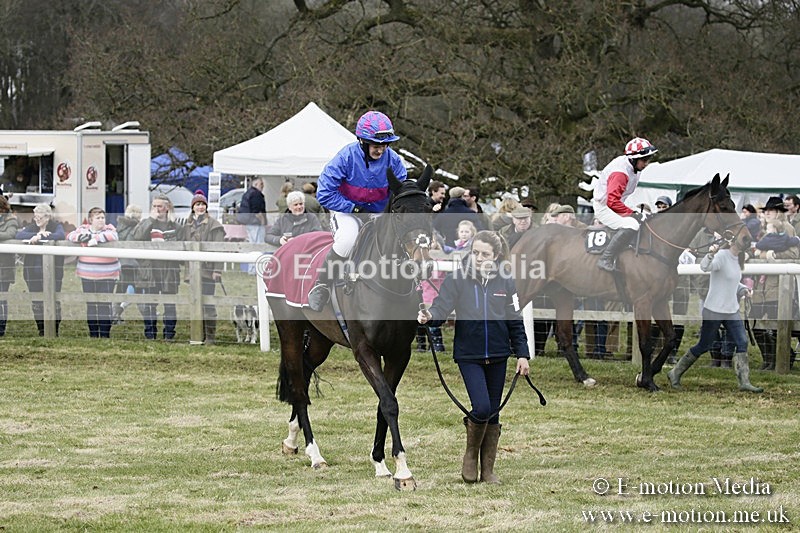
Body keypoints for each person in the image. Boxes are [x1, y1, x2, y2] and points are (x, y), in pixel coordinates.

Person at [418, 231, 529, 484]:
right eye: (475, 252)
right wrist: (429, 316)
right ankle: (470, 454)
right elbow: (441, 307)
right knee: (482, 407)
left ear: (496, 256)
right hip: (469, 354)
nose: (479, 258)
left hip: (499, 354)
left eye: (485, 254)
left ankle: (488, 470)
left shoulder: (506, 281)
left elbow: (515, 320)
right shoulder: (457, 278)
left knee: (494, 412)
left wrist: (522, 354)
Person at [307, 110, 407, 312]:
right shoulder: (345, 157)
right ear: (362, 141)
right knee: (347, 240)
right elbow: (325, 193)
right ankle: (322, 284)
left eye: (385, 145)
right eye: (376, 145)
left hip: (379, 212)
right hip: (347, 211)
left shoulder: (394, 160)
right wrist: (353, 207)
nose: (381, 150)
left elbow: (401, 190)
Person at [667, 239, 763, 393]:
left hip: (732, 310)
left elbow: (732, 281)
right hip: (714, 310)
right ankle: (675, 373)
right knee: (703, 345)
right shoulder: (721, 256)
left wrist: (743, 289)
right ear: (734, 242)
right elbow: (705, 267)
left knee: (742, 342)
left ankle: (744, 381)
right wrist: (711, 254)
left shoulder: (738, 259)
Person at [592, 137, 658, 271]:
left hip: (616, 204)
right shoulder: (620, 174)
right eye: (644, 160)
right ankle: (606, 258)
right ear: (633, 159)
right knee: (632, 224)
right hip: (605, 207)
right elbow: (612, 202)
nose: (646, 164)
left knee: (646, 215)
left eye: (648, 160)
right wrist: (632, 214)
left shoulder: (632, 166)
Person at [132, 195, 181, 341]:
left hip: (169, 271)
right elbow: (137, 236)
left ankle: (169, 335)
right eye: (154, 206)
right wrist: (151, 220)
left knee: (170, 305)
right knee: (149, 304)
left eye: (159, 206)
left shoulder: (175, 226)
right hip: (150, 271)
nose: (156, 209)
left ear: (167, 208)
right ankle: (150, 334)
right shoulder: (146, 223)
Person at [66, 208, 120, 338]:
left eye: (102, 217)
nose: (101, 220)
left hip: (108, 274)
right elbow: (69, 236)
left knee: (104, 305)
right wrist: (81, 237)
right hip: (87, 274)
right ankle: (93, 334)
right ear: (91, 220)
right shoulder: (82, 229)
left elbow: (114, 236)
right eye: (98, 218)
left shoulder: (109, 229)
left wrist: (96, 238)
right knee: (91, 304)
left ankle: (105, 334)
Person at [182, 191, 226, 345]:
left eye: (202, 204)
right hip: (193, 272)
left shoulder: (214, 225)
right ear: (193, 207)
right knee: (195, 302)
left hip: (208, 271)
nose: (200, 207)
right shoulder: (187, 225)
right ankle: (197, 335)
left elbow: (219, 249)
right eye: (197, 204)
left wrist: (217, 270)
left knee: (208, 303)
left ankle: (210, 337)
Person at [15, 203, 66, 336]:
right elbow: (19, 235)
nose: (37, 219)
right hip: (32, 272)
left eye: (40, 217)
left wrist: (42, 236)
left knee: (54, 300)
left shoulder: (56, 226)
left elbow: (60, 235)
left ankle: (54, 330)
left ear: (48, 217)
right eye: (36, 217)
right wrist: (36, 234)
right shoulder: (32, 227)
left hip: (54, 272)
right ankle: (41, 330)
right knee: (37, 301)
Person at [112, 203, 143, 323]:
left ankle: (115, 314)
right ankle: (148, 316)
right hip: (134, 264)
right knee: (139, 291)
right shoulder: (137, 228)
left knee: (120, 289)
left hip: (121, 263)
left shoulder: (119, 227)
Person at [237, 177, 266, 274]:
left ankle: (252, 269)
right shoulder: (256, 194)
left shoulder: (247, 193)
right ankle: (255, 269)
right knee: (258, 246)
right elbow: (257, 211)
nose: (263, 186)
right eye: (261, 184)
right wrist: (262, 221)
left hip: (249, 222)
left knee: (252, 245)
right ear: (256, 184)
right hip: (255, 223)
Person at [0, 195, 19, 336]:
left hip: (3, 267)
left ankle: (1, 328)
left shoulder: (11, 220)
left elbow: (10, 234)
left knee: (1, 299)